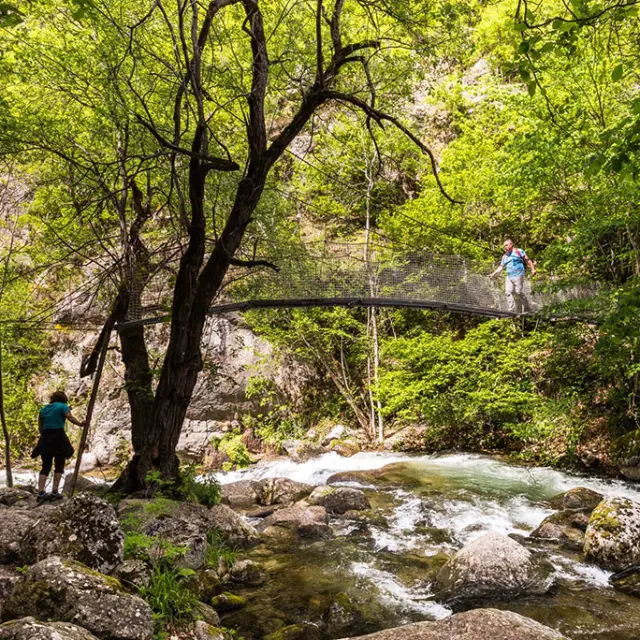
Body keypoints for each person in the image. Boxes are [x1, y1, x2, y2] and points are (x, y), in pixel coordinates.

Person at [32, 391, 85, 503]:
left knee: (45, 466)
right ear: (63, 399)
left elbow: (40, 427)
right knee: (59, 465)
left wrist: (45, 436)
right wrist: (80, 424)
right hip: (58, 437)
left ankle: (41, 493)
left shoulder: (43, 409)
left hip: (45, 438)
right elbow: (69, 417)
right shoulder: (62, 406)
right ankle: (55, 492)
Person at [490, 239, 536, 313]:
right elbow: (501, 267)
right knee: (508, 292)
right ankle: (511, 309)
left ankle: (527, 308)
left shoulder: (519, 251)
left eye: (506, 245)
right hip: (509, 276)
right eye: (504, 246)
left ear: (511, 244)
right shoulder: (505, 256)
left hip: (519, 275)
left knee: (518, 292)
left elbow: (527, 260)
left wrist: (533, 269)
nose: (505, 247)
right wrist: (494, 273)